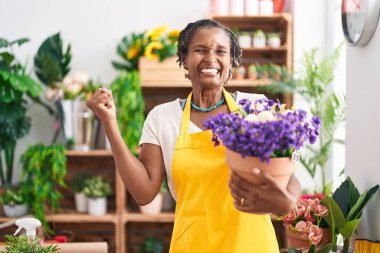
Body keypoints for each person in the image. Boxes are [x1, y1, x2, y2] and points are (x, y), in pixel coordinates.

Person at [87, 19, 301, 253]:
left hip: (252, 245)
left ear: (232, 61)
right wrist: (110, 124)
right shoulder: (162, 117)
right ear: (185, 60)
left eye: (221, 51)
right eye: (200, 50)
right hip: (192, 245)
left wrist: (288, 200)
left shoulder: (256, 109)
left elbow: (287, 176)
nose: (211, 58)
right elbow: (144, 193)